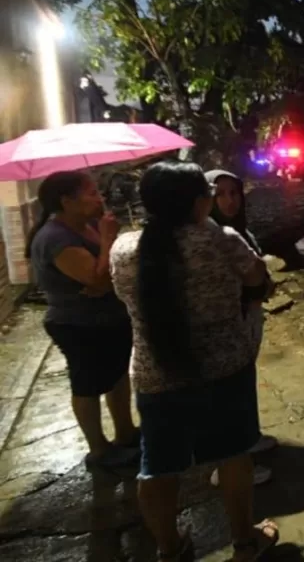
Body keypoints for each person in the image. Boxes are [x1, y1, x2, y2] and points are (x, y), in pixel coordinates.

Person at [109, 161, 279, 562]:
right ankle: (244, 543)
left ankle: (170, 549)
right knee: (234, 453)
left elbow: (124, 299)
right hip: (224, 368)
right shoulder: (223, 239)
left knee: (158, 466)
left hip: (156, 374)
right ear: (198, 203)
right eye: (207, 193)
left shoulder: (123, 250)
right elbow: (258, 282)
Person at [27, 171, 140, 469]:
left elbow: (105, 271)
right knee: (87, 384)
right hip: (78, 323)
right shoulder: (55, 239)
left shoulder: (87, 225)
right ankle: (99, 450)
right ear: (67, 201)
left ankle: (126, 433)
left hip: (108, 317)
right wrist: (106, 242)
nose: (98, 198)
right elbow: (99, 279)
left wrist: (104, 256)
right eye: (91, 193)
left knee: (117, 376)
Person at [205, 170, 278, 488]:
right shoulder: (210, 235)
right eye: (220, 194)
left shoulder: (238, 230)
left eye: (234, 193)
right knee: (227, 394)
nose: (229, 200)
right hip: (228, 322)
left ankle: (249, 439)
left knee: (244, 381)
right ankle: (233, 467)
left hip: (248, 317)